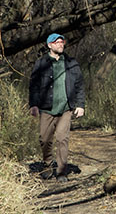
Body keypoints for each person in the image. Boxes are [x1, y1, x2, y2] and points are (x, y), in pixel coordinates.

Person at [28, 33, 85, 181]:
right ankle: (47, 164)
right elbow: (33, 86)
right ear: (49, 45)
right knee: (44, 138)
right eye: (57, 42)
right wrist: (33, 105)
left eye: (62, 42)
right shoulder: (41, 63)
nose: (60, 44)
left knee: (62, 138)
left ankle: (61, 171)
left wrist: (80, 105)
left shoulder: (72, 63)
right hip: (46, 108)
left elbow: (79, 85)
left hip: (66, 108)